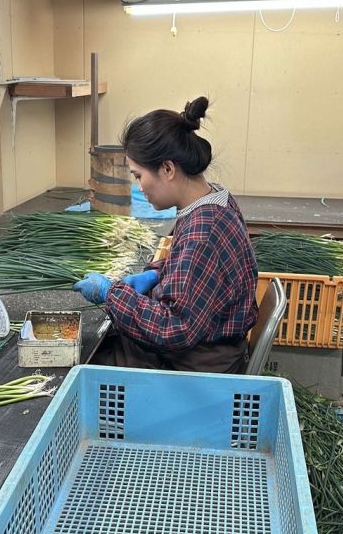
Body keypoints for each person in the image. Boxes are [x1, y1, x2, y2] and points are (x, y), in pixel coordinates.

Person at [73, 97, 258, 373]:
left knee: (81, 362)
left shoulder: (202, 231)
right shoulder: (215, 198)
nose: (139, 187)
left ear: (168, 169)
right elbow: (199, 271)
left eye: (138, 176)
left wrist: (111, 294)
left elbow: (175, 329)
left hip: (196, 367)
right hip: (205, 346)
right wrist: (158, 273)